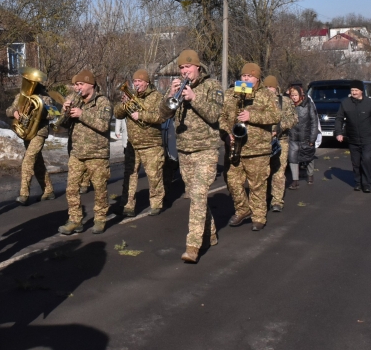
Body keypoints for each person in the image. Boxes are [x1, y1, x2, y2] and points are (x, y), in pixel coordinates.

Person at [158, 50, 223, 263]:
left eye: (188, 67)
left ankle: (193, 246)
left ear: (198, 67)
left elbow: (215, 115)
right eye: (182, 68)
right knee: (197, 197)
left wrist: (194, 98)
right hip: (184, 151)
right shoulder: (176, 86)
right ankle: (210, 233)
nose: (185, 71)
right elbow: (163, 114)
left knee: (197, 194)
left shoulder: (212, 86)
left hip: (206, 150)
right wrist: (170, 95)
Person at [220, 63, 280, 232]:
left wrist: (251, 116)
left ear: (257, 78)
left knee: (257, 185)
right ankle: (242, 209)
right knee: (232, 182)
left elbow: (276, 116)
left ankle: (259, 216)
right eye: (244, 76)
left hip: (258, 149)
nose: (246, 79)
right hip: (235, 147)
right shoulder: (231, 93)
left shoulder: (266, 95)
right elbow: (222, 117)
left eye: (250, 77)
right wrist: (226, 134)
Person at [56, 70, 112, 235]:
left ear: (91, 85)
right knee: (71, 189)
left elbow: (103, 125)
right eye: (75, 84)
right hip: (77, 153)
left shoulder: (103, 102)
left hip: (97, 154)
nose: (76, 87)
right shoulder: (74, 100)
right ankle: (75, 220)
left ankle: (100, 219)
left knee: (100, 189)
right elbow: (61, 125)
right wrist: (65, 111)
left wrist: (82, 114)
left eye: (80, 84)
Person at [114, 69, 165, 217]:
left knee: (154, 176)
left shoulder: (157, 96)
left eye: (139, 82)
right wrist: (124, 105)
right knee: (129, 176)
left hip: (151, 144)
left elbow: (160, 117)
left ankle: (156, 204)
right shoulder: (130, 95)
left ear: (147, 82)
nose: (136, 84)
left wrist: (140, 115)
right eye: (135, 81)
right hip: (132, 144)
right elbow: (117, 114)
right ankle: (128, 205)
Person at [5, 69, 56, 205]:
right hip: (27, 132)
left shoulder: (45, 97)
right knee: (37, 162)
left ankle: (24, 194)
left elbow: (53, 113)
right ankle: (48, 190)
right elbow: (8, 110)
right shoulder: (22, 95)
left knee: (28, 160)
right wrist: (15, 113)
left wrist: (39, 111)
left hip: (39, 132)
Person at [334, 80, 371, 193]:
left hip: (368, 138)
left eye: (356, 90)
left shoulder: (370, 103)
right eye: (352, 90)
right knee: (356, 162)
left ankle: (366, 183)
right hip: (353, 138)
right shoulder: (345, 103)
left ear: (361, 91)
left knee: (366, 159)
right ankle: (358, 182)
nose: (354, 92)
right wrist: (339, 133)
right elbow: (339, 119)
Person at [264, 76, 297, 213]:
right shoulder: (260, 101)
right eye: (265, 87)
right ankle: (262, 199)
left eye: (270, 87)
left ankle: (277, 200)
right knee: (263, 172)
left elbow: (293, 119)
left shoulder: (285, 102)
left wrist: (279, 128)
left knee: (278, 171)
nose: (268, 90)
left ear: (276, 88)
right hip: (263, 141)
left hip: (280, 140)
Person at [286, 85, 318, 189]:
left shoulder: (308, 105)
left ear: (300, 95)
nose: (294, 97)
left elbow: (314, 122)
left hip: (306, 136)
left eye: (295, 95)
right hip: (293, 137)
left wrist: (313, 138)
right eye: (292, 95)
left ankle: (310, 175)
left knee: (308, 156)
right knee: (292, 158)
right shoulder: (289, 105)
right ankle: (295, 180)